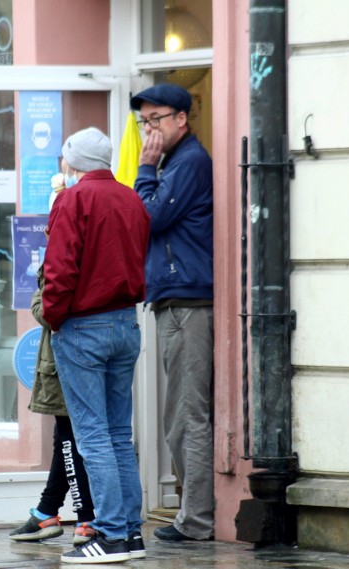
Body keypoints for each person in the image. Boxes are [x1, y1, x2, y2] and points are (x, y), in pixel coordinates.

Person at [43, 126, 151, 564]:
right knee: (118, 435)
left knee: (93, 436)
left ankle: (108, 534)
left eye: (66, 160)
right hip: (126, 322)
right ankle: (130, 533)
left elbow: (60, 269)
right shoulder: (132, 199)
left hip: (83, 325)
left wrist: (53, 316)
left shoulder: (73, 199)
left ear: (76, 162)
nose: (63, 168)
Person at [130, 83, 215, 542]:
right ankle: (194, 511)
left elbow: (148, 218)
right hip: (177, 299)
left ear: (182, 118)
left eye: (156, 119)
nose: (149, 130)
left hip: (188, 303)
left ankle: (197, 519)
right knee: (180, 415)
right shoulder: (177, 162)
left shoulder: (189, 162)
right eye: (144, 122)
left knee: (186, 415)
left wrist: (145, 169)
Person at [9, 265, 97, 545]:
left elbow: (48, 311)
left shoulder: (65, 253)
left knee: (71, 442)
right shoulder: (95, 248)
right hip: (88, 355)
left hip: (66, 359)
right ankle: (47, 511)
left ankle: (86, 518)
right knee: (65, 440)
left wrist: (38, 295)